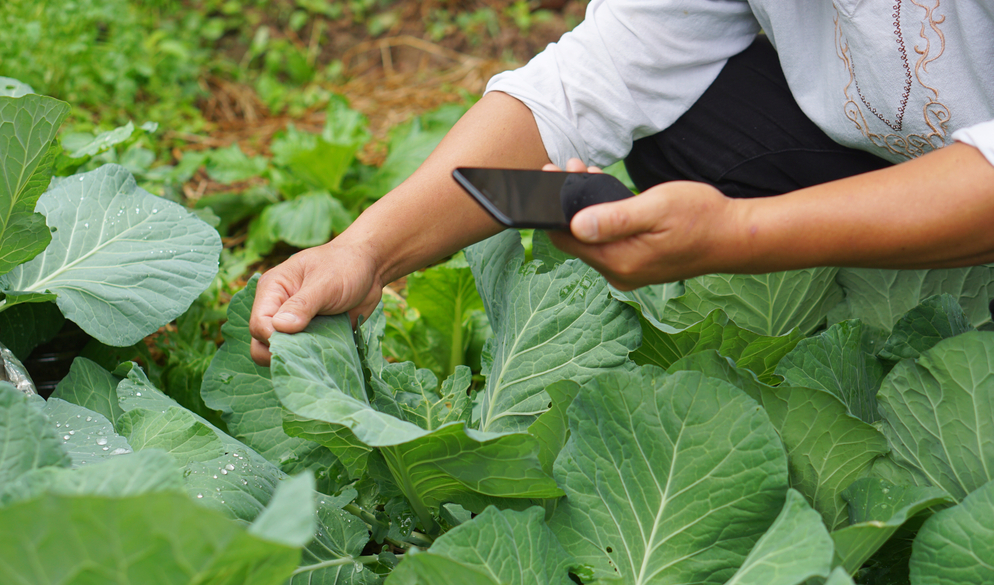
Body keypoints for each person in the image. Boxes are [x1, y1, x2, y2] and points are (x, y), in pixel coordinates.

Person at [250, 0, 994, 366]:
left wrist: (738, 235)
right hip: (903, 160)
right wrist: (367, 251)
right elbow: (604, 69)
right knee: (685, 115)